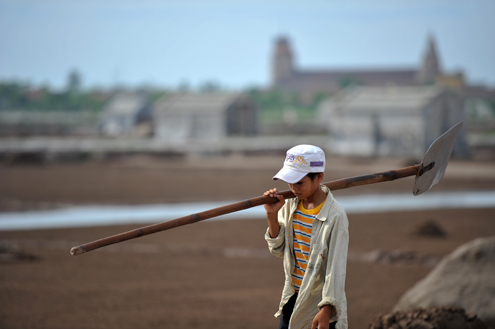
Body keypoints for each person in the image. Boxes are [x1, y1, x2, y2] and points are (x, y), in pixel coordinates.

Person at [263, 144, 349, 329]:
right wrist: (272, 215)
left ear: (319, 177)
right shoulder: (290, 207)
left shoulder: (335, 216)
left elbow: (336, 267)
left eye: (299, 182)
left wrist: (326, 310)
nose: (293, 188)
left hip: (320, 302)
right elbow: (277, 249)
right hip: (293, 296)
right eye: (290, 182)